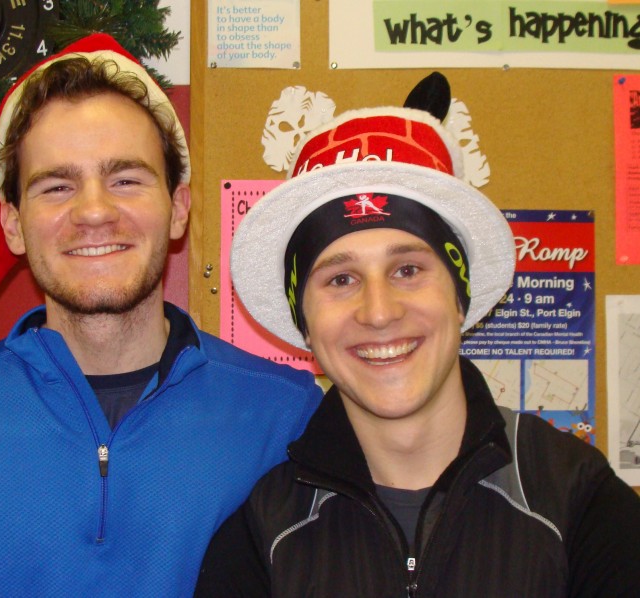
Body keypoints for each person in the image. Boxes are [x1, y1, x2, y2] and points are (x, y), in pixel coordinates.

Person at [0, 34, 321, 596]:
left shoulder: (286, 417)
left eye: (126, 180)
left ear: (178, 209)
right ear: (13, 225)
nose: (93, 211)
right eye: (56, 186)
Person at [195, 72, 640, 597]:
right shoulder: (261, 537)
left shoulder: (580, 502)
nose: (379, 312)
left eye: (408, 270)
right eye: (341, 279)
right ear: (305, 326)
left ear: (460, 297)